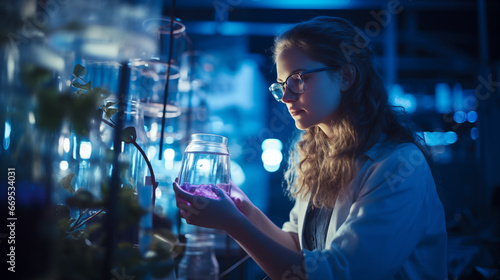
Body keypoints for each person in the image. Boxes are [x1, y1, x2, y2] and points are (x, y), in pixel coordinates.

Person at [173, 16, 448, 280]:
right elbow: (297, 247)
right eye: (281, 85)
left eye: (298, 79)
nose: (285, 97)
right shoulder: (321, 154)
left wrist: (233, 224)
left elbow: (339, 274)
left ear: (345, 76)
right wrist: (244, 209)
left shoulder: (398, 164)